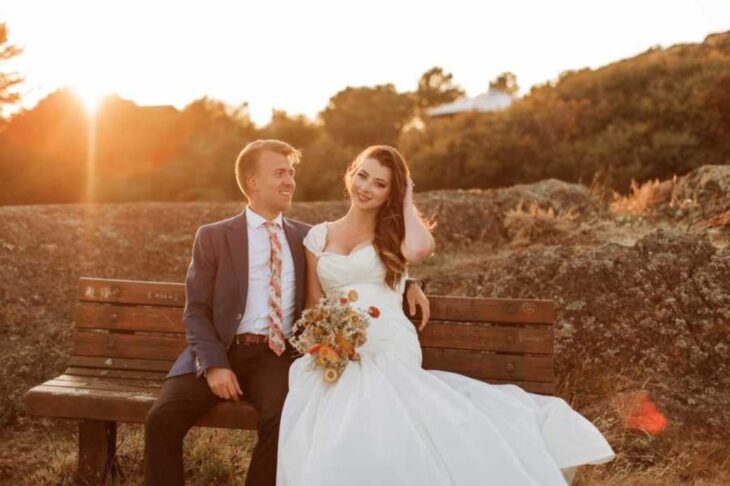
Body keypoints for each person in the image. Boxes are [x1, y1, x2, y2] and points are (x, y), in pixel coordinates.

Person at [277, 145, 616, 486]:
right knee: (333, 401)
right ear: (351, 174)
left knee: (370, 400)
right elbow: (313, 303)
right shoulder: (318, 236)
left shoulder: (394, 234)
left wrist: (407, 198)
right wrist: (328, 341)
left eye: (380, 184)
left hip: (388, 341)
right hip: (338, 345)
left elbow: (421, 250)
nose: (366, 188)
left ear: (390, 193)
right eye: (362, 176)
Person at [143, 139, 430, 486]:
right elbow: (197, 311)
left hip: (274, 357)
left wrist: (410, 283)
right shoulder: (214, 237)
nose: (290, 182)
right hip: (219, 352)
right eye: (280, 173)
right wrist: (216, 365)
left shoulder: (305, 237)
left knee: (283, 418)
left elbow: (360, 264)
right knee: (162, 418)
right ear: (252, 181)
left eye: (291, 174)